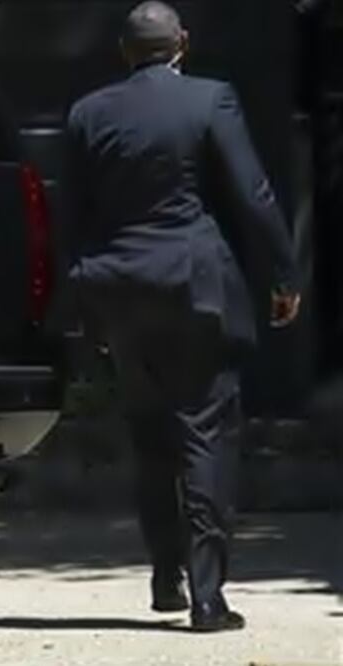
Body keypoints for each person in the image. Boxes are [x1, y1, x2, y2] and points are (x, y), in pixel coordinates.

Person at [65, 1, 302, 633]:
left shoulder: (89, 113)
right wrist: (283, 274)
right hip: (193, 286)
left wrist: (81, 295)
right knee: (206, 433)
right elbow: (252, 191)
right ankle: (206, 596)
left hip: (120, 289)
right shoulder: (209, 100)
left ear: (124, 51)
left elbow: (74, 210)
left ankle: (165, 577)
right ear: (183, 44)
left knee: (149, 436)